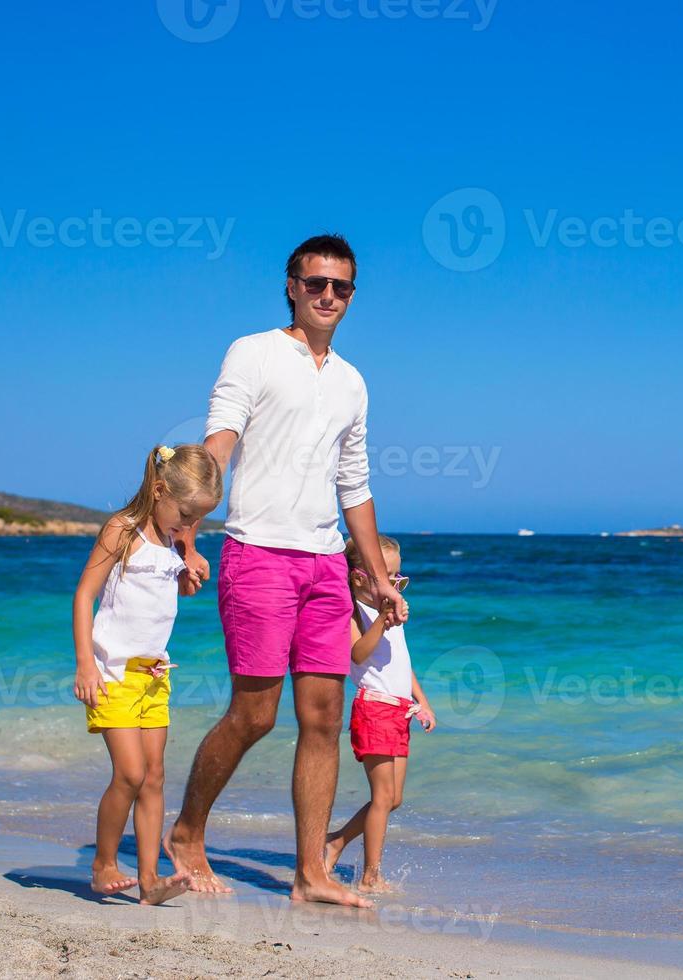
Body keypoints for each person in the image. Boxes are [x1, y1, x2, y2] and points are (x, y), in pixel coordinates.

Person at [166, 234, 409, 907]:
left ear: (352, 295)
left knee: (325, 716)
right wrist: (185, 528)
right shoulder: (254, 352)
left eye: (341, 287)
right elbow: (220, 439)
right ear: (292, 286)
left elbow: (354, 488)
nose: (328, 296)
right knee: (255, 713)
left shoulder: (353, 382)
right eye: (316, 283)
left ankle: (310, 874)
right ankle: (187, 830)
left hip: (327, 563)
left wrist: (377, 576)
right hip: (258, 553)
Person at [71, 443, 222, 904]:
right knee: (131, 773)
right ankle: (103, 865)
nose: (188, 525)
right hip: (112, 674)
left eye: (198, 518)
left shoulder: (173, 539)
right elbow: (84, 597)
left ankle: (150, 879)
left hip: (155, 675)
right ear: (158, 490)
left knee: (154, 776)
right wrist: (85, 664)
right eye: (185, 514)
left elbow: (163, 590)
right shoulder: (123, 530)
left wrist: (187, 572)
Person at [323, 535, 436, 892]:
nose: (394, 585)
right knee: (383, 797)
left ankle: (336, 841)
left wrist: (423, 700)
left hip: (400, 711)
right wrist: (382, 623)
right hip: (373, 708)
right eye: (386, 577)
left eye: (398, 577)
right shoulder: (354, 611)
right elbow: (357, 654)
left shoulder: (391, 611)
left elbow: (402, 663)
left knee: (393, 799)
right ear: (359, 577)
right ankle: (371, 876)